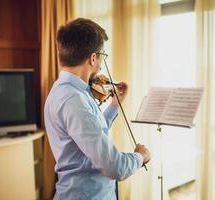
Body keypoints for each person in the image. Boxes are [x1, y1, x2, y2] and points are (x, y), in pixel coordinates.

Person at [44, 18, 151, 200]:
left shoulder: (65, 89)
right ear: (93, 58)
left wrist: (114, 106)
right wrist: (141, 157)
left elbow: (90, 133)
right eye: (102, 56)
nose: (101, 63)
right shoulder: (74, 99)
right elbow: (114, 166)